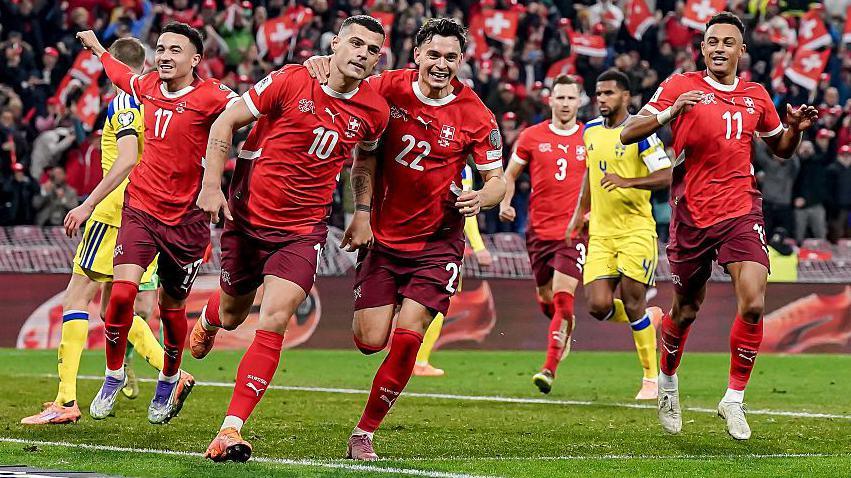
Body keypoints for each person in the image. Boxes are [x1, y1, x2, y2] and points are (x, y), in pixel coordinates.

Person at [188, 16, 389, 462]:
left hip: (302, 230)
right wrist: (210, 185)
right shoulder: (292, 79)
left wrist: (361, 212)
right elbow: (225, 122)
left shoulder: (374, 111)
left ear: (378, 60)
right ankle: (211, 316)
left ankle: (230, 428)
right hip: (246, 219)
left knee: (275, 318)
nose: (362, 53)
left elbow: (365, 161)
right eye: (354, 43)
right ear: (334, 44)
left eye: (372, 50)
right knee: (235, 311)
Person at [304, 18, 506, 460]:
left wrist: (482, 199)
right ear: (417, 55)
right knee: (370, 340)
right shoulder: (385, 88)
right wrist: (321, 64)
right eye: (433, 55)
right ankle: (389, 307)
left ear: (460, 60)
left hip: (439, 242)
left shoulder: (477, 114)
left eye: (450, 57)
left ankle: (365, 432)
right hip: (383, 236)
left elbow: (497, 180)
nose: (441, 64)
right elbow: (350, 112)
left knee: (409, 335)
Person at [620, 12, 818, 440]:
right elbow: (627, 133)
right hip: (691, 216)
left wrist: (797, 130)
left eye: (728, 42)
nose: (719, 48)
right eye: (712, 41)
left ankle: (733, 399)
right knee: (686, 309)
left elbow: (780, 149)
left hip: (741, 211)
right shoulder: (680, 86)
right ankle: (668, 382)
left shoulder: (756, 95)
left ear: (741, 50)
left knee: (752, 302)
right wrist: (669, 112)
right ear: (703, 48)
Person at [74, 22, 241, 424]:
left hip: (187, 222)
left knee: (171, 308)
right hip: (141, 209)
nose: (165, 56)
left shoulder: (214, 96)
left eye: (175, 50)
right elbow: (120, 73)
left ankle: (168, 379)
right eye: (161, 48)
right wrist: (97, 48)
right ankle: (113, 375)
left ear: (195, 59)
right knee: (120, 295)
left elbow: (256, 107)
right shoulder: (146, 86)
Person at [21, 38, 166, 425]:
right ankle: (172, 371)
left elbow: (127, 159)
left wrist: (87, 205)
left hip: (112, 213)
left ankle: (65, 401)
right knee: (112, 308)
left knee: (75, 300)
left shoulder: (123, 100)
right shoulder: (156, 102)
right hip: (143, 214)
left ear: (114, 65)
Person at [566, 69, 670, 401]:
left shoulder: (640, 132)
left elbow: (666, 174)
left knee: (632, 297)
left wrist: (629, 182)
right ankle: (649, 319)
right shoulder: (591, 131)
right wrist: (579, 213)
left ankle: (651, 379)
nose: (601, 99)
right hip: (601, 232)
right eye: (598, 93)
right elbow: (590, 174)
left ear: (626, 96)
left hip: (636, 230)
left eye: (608, 93)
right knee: (597, 305)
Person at [498, 74, 588, 393]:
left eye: (570, 98)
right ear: (550, 100)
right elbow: (509, 174)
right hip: (538, 231)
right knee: (546, 301)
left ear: (579, 101)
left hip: (574, 232)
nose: (565, 104)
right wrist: (505, 202)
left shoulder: (589, 137)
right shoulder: (532, 136)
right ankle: (562, 326)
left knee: (565, 300)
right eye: (559, 98)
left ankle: (549, 369)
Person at [414, 163, 494, 377]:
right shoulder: (461, 169)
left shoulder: (460, 168)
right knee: (437, 303)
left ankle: (411, 358)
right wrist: (479, 247)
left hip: (415, 240)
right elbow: (467, 210)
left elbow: (467, 210)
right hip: (439, 246)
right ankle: (419, 361)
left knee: (418, 302)